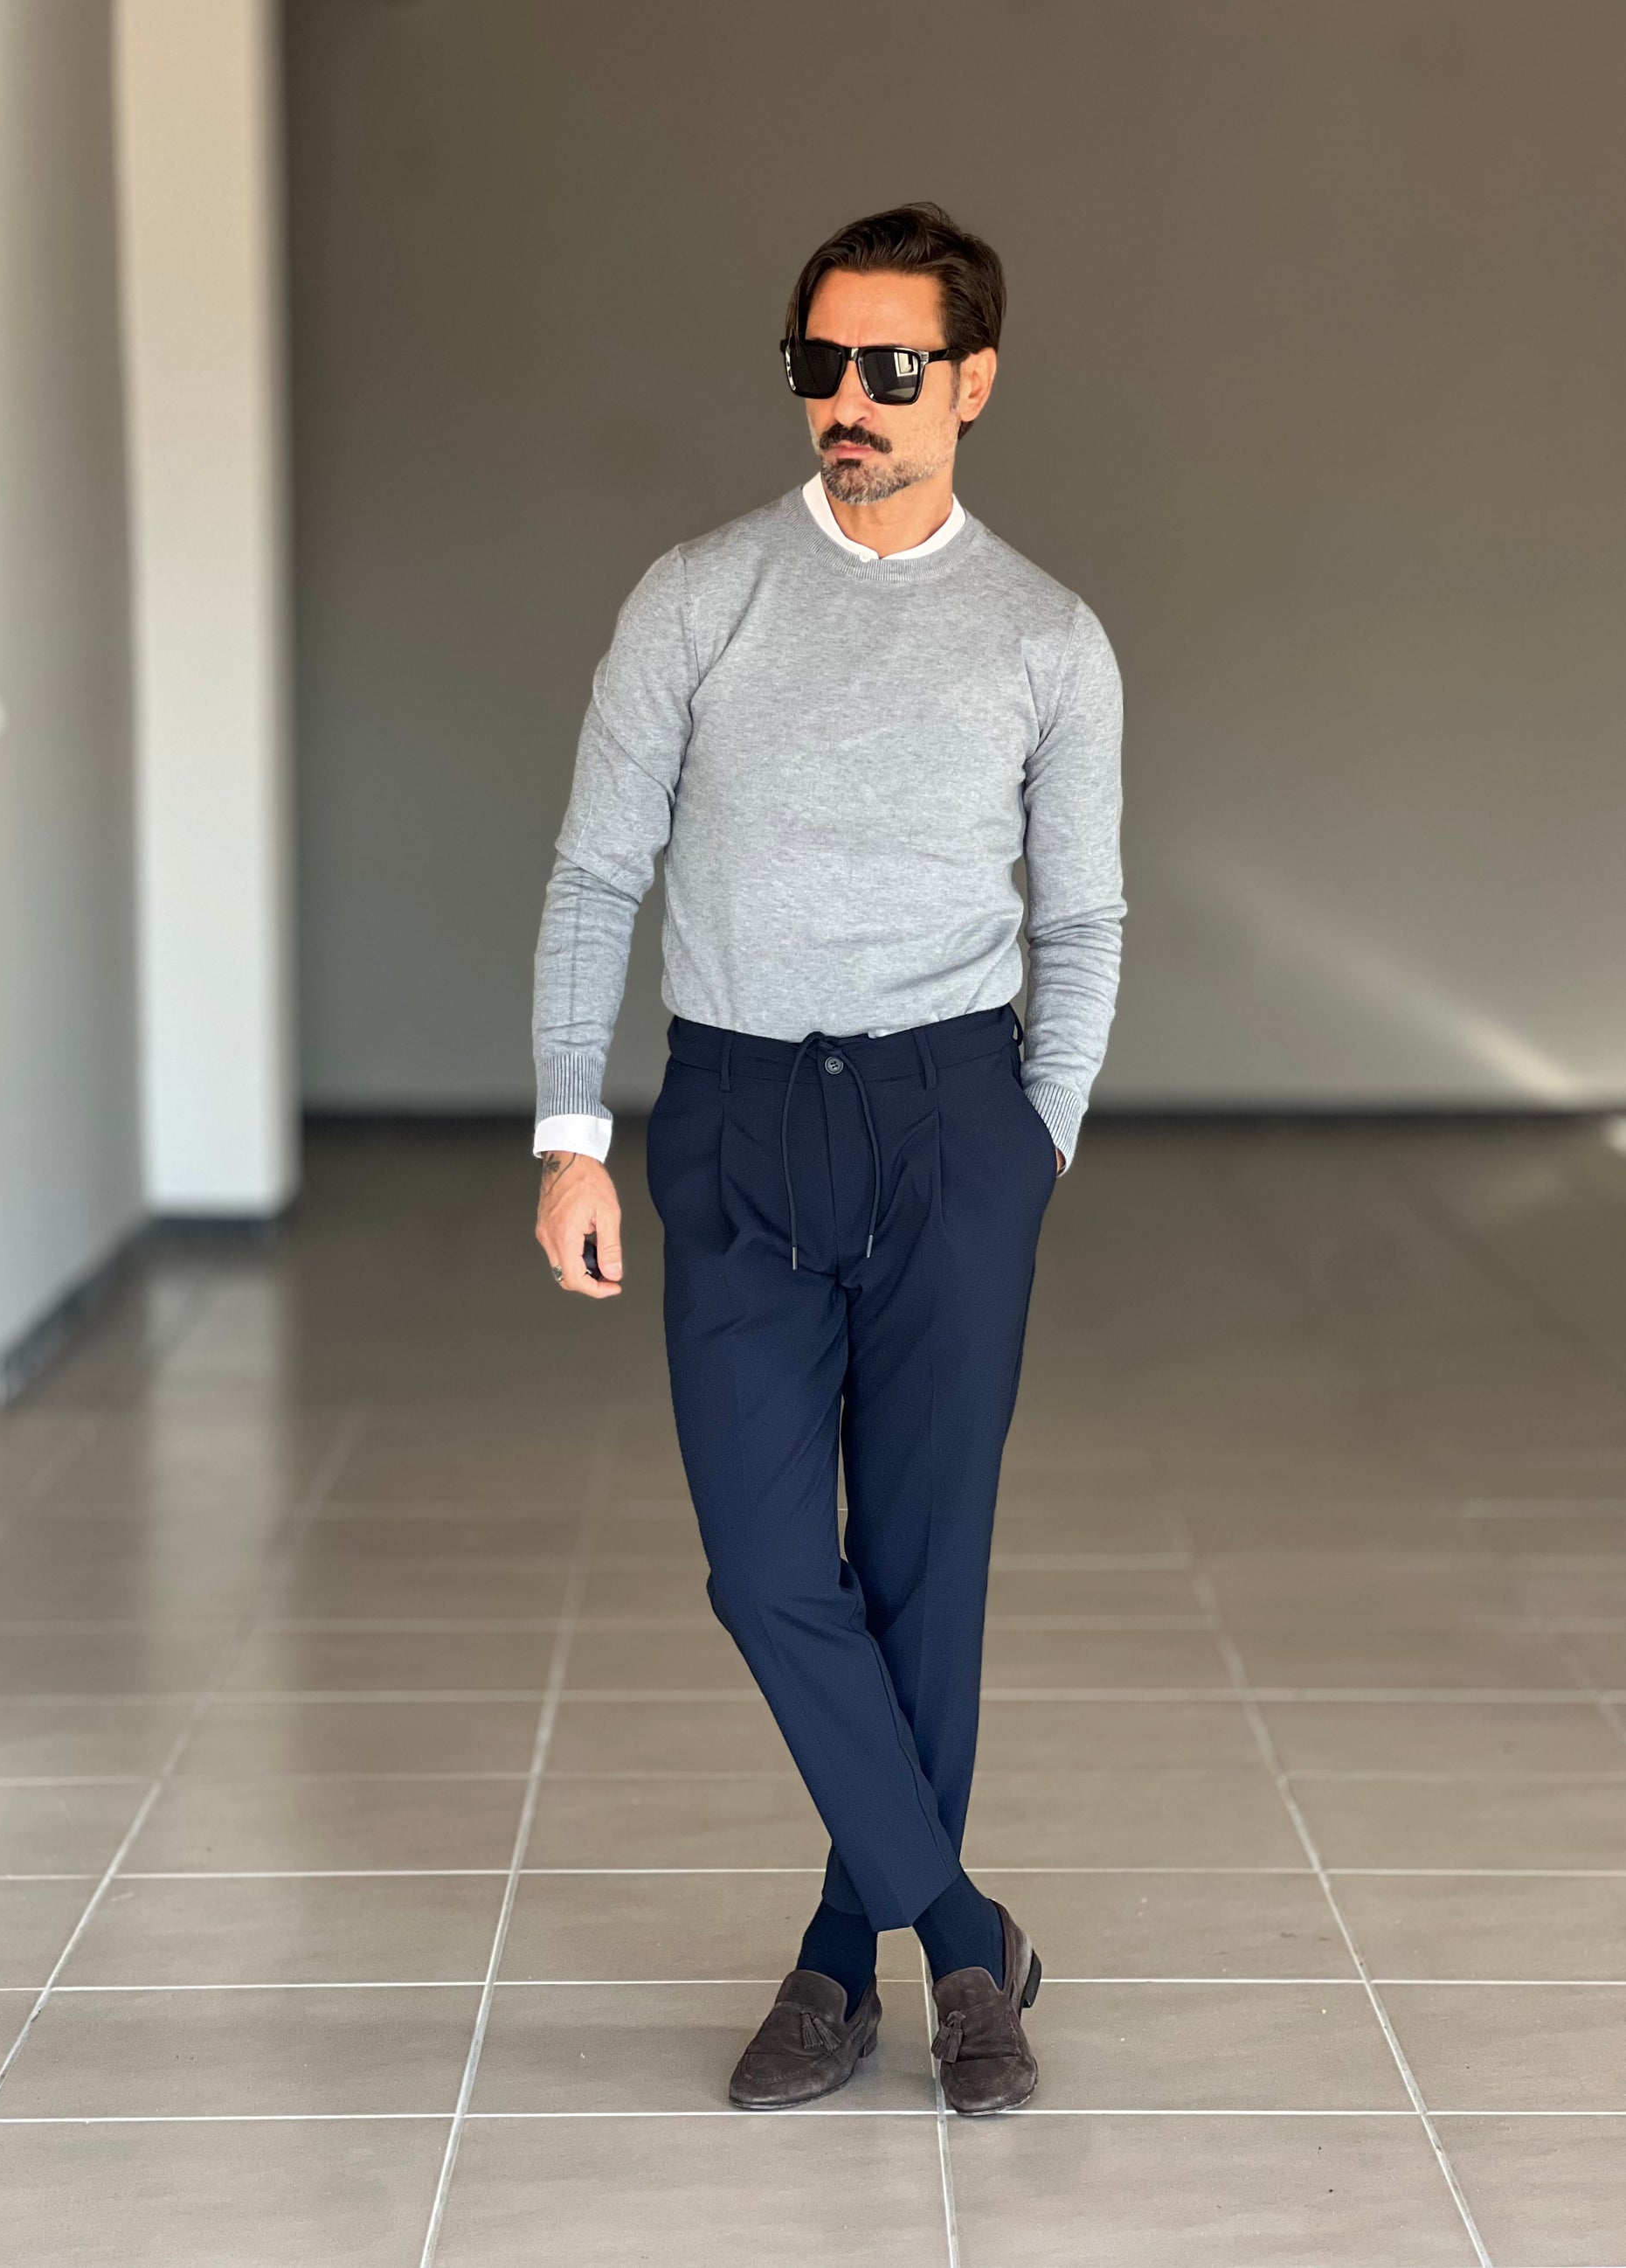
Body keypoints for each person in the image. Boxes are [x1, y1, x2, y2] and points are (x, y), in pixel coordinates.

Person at [530, 202, 1124, 2115]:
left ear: (972, 382)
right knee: (769, 1564)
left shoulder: (1045, 637)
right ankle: (959, 1930)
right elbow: (595, 874)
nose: (848, 399)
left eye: (890, 366)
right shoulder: (696, 596)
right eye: (820, 362)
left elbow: (1084, 921)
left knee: (925, 1568)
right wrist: (570, 1133)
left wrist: (1033, 1143)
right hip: (732, 1116)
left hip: (953, 1120)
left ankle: (834, 1963)